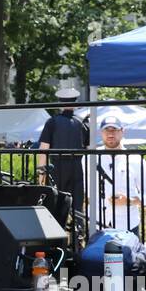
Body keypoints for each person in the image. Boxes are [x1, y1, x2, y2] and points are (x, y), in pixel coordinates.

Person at [90, 114, 146, 236]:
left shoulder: (135, 159)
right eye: (106, 130)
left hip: (127, 223)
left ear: (122, 131)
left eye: (114, 129)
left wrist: (128, 201)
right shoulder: (90, 157)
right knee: (96, 255)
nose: (110, 134)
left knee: (126, 254)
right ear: (101, 132)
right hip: (97, 221)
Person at [37, 86, 87, 233]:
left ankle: (56, 235)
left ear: (60, 103)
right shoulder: (81, 123)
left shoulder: (52, 122)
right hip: (78, 166)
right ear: (75, 103)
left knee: (57, 201)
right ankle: (79, 235)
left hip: (58, 166)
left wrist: (41, 175)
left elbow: (43, 149)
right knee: (78, 204)